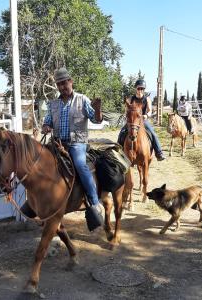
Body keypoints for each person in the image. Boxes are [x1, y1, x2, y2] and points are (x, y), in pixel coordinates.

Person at [42, 67, 103, 229]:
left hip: (77, 143)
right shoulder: (53, 104)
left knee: (80, 165)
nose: (62, 86)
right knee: (38, 161)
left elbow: (96, 120)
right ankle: (37, 201)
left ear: (71, 81)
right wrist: (46, 126)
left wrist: (97, 109)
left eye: (64, 83)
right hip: (57, 143)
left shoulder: (82, 100)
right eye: (59, 84)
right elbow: (47, 121)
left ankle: (95, 202)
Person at [118, 79, 166, 161]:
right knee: (122, 132)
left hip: (143, 121)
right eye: (138, 88)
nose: (140, 90)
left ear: (144, 90)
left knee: (153, 133)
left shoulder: (147, 99)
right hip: (132, 121)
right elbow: (127, 110)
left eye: (142, 89)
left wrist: (147, 115)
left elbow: (150, 110)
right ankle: (118, 152)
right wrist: (127, 116)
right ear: (135, 89)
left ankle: (159, 152)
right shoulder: (131, 99)